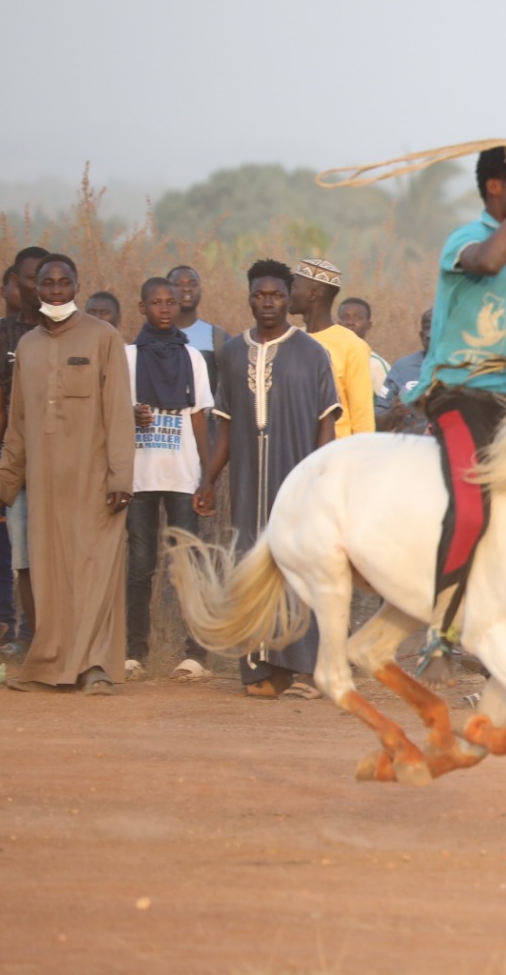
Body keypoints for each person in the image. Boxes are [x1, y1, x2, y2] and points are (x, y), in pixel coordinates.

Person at [407, 144, 506, 633]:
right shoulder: (465, 240)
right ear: (495, 187)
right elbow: (490, 261)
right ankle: (442, 628)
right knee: (471, 511)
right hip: (456, 390)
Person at [0, 254, 134, 695]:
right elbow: (18, 426)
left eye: (64, 283)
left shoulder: (104, 338)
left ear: (77, 286)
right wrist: (0, 486)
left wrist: (121, 478)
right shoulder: (26, 346)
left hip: (95, 479)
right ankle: (52, 665)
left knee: (94, 572)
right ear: (37, 290)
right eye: (48, 284)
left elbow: (120, 413)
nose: (56, 291)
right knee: (49, 575)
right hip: (44, 485)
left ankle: (96, 667)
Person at [196, 259, 342, 699]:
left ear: (288, 298)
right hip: (247, 486)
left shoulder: (312, 353)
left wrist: (319, 484)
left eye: (277, 295)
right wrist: (207, 481)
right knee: (253, 568)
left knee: (299, 567)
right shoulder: (232, 353)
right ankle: (261, 669)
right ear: (249, 298)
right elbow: (224, 426)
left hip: (297, 483)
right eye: (259, 295)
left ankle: (306, 671)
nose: (268, 303)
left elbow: (326, 424)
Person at [123, 277, 214, 682]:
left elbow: (199, 419)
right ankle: (133, 652)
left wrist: (207, 477)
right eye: (156, 302)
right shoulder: (126, 356)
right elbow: (112, 417)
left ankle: (194, 654)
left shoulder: (192, 357)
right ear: (141, 308)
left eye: (170, 302)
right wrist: (131, 416)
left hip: (181, 473)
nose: (164, 308)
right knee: (140, 565)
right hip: (139, 475)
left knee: (187, 563)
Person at [0, 246, 50, 657]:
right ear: (15, 284)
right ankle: (34, 643)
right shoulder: (1, 337)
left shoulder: (74, 331)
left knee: (60, 561)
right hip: (16, 468)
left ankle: (66, 643)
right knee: (22, 560)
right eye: (30, 278)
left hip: (65, 468)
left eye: (46, 278)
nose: (38, 287)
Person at [288, 259, 374, 439]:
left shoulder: (353, 346)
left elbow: (362, 418)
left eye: (294, 287)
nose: (289, 293)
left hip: (336, 456)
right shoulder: (290, 340)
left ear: (313, 293)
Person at [375, 309, 432, 434]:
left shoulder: (465, 369)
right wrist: (395, 412)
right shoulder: (403, 367)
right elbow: (378, 422)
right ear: (422, 336)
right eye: (430, 338)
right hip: (410, 450)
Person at [168, 265, 231, 367]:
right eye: (178, 284)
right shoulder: (154, 335)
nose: (186, 289)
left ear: (201, 290)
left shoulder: (218, 337)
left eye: (192, 284)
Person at [337, 296, 391, 398]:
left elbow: (387, 405)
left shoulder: (376, 365)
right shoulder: (326, 358)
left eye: (358, 318)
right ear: (338, 323)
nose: (350, 322)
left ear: (369, 325)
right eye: (345, 317)